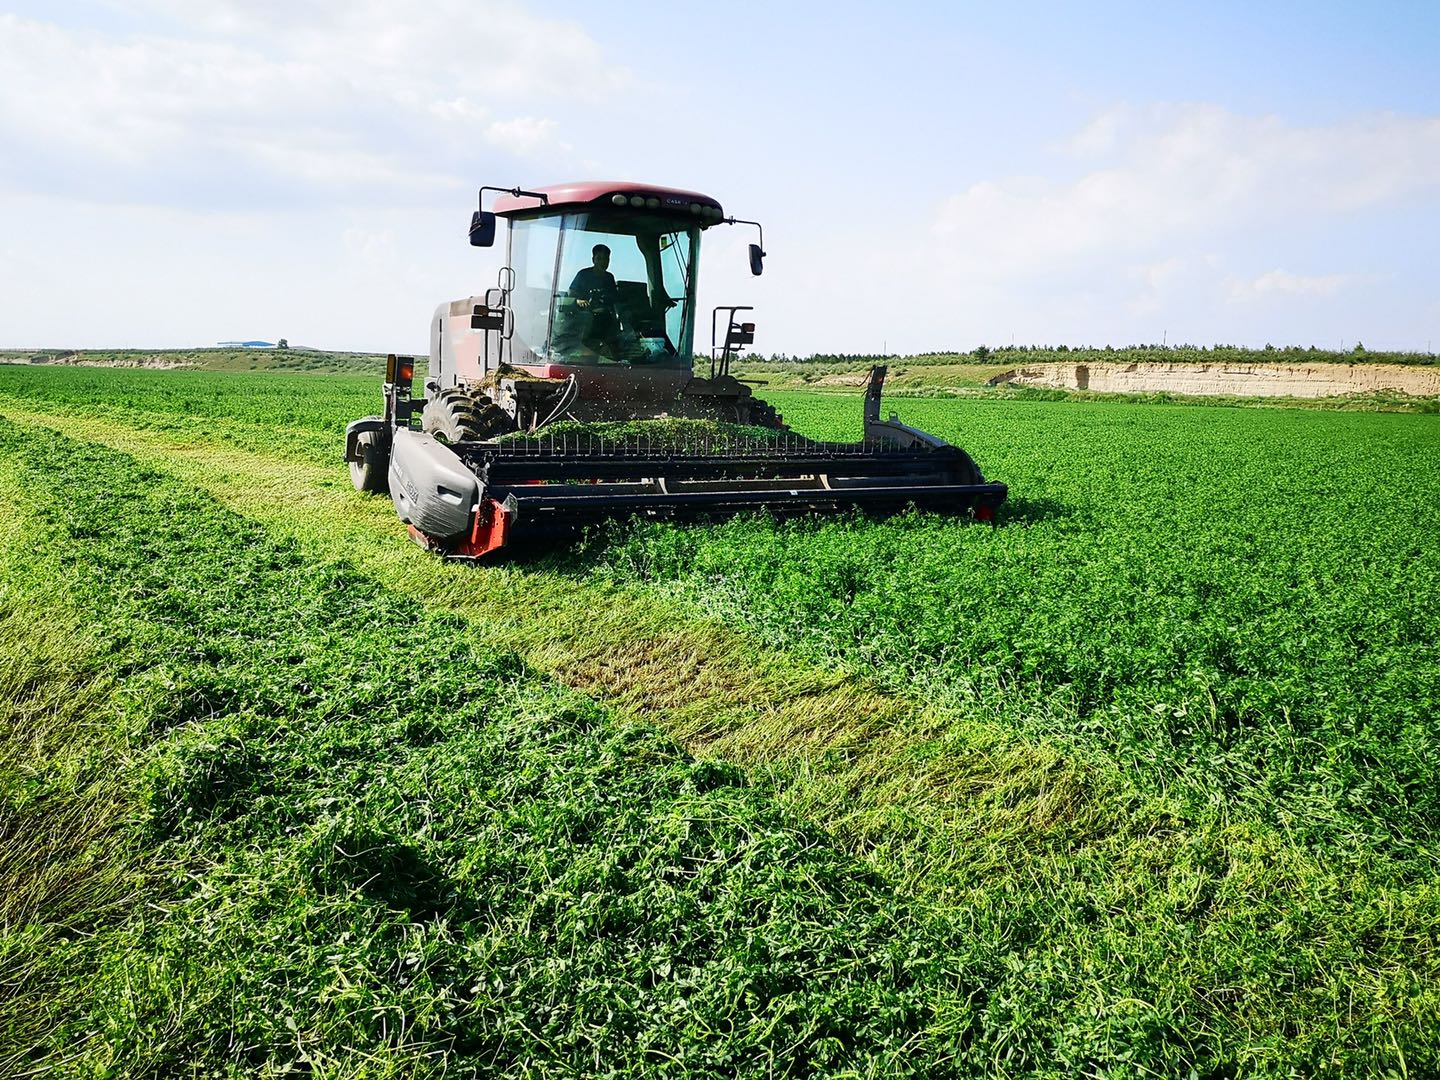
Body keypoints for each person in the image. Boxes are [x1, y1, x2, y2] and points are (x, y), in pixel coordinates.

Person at [566, 243, 624, 357]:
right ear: (593, 259)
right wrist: (578, 301)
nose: (603, 262)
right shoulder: (583, 275)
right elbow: (571, 295)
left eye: (606, 259)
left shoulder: (609, 278)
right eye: (599, 258)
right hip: (586, 318)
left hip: (605, 318)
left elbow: (615, 299)